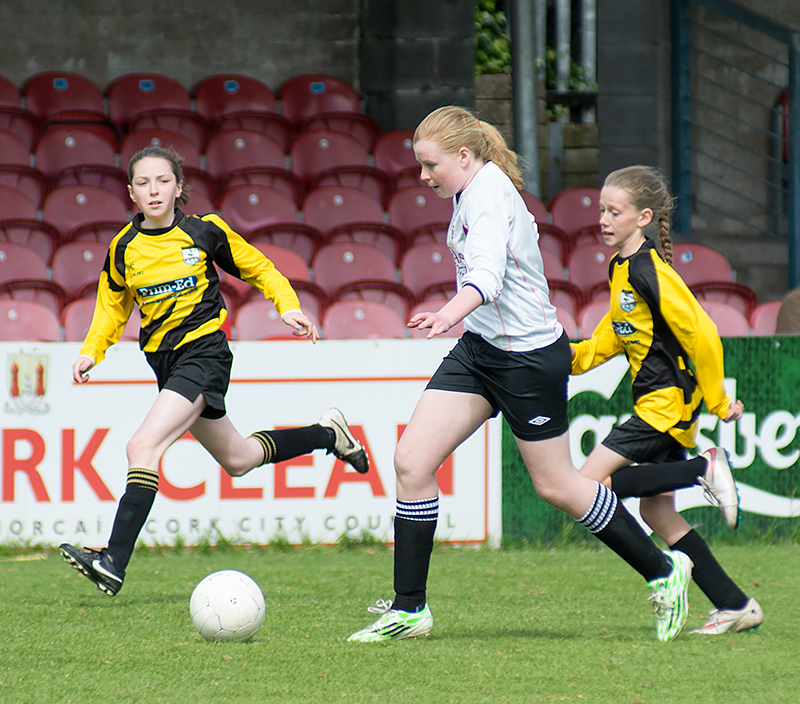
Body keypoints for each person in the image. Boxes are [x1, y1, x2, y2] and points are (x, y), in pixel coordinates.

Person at [347, 107, 715, 644]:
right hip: (482, 349)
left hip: (526, 359)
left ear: (465, 157)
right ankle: (410, 609)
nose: (424, 176)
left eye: (431, 165)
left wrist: (448, 313)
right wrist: (461, 320)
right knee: (411, 461)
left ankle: (665, 571)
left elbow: (488, 277)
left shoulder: (489, 196)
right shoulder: (470, 189)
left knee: (559, 485)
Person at [60, 146, 368, 597]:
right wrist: (92, 351)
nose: (154, 190)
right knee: (239, 460)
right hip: (166, 365)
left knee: (142, 445)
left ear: (179, 187)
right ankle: (329, 434)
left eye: (163, 181)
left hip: (204, 356)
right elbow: (112, 307)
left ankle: (112, 561)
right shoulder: (123, 248)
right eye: (143, 183)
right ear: (131, 193)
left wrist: (288, 306)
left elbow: (259, 267)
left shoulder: (204, 231)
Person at [571, 164, 763, 634]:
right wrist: (559, 356)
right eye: (601, 210)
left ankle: (703, 468)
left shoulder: (648, 270)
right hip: (660, 405)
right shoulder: (622, 268)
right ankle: (736, 605)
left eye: (614, 211)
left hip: (664, 405)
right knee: (657, 511)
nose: (603, 219)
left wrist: (718, 401)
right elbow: (608, 341)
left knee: (585, 488)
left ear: (643, 218)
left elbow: (703, 334)